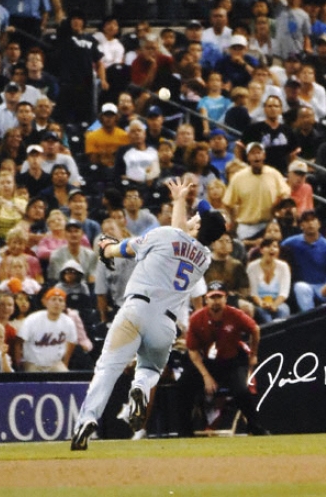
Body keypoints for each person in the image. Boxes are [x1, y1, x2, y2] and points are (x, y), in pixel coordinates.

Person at [71, 175, 226, 451]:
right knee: (149, 369)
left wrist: (106, 248)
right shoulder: (204, 259)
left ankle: (87, 421)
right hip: (165, 325)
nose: (193, 217)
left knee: (107, 368)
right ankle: (140, 389)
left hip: (136, 309)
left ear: (199, 225)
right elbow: (180, 234)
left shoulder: (163, 234)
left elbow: (123, 248)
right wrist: (179, 202)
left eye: (198, 218)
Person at [176, 280, 263, 437]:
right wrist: (206, 376)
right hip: (207, 363)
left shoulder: (235, 314)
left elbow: (255, 329)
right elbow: (193, 351)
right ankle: (185, 431)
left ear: (225, 298)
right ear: (206, 299)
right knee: (183, 385)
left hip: (232, 361)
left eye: (219, 297)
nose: (216, 301)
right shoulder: (197, 318)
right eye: (212, 297)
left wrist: (253, 355)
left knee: (242, 391)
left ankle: (254, 426)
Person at [282, 210, 326, 312]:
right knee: (300, 287)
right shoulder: (292, 242)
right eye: (306, 221)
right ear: (301, 226)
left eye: (313, 220)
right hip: (306, 286)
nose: (310, 223)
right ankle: (310, 318)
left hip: (324, 285)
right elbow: (278, 249)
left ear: (319, 224)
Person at [222, 142, 290, 242]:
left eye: (259, 153)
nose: (256, 156)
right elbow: (228, 203)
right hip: (247, 226)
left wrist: (276, 206)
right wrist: (233, 220)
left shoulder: (274, 174)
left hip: (269, 224)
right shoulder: (238, 177)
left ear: (264, 155)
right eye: (252, 153)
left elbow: (285, 194)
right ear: (248, 157)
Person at [14, 286, 77, 372]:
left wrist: (65, 362)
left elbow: (72, 342)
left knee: (65, 377)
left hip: (55, 363)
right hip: (33, 363)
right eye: (53, 299)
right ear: (46, 302)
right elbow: (18, 342)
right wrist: (19, 364)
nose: (57, 303)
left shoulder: (68, 322)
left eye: (60, 300)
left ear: (64, 305)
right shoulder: (32, 319)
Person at [246, 238, 291, 323]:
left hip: (278, 302)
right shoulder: (252, 267)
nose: (272, 249)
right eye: (268, 246)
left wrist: (274, 305)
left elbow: (284, 292)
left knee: (283, 311)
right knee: (265, 317)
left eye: (275, 246)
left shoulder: (283, 266)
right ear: (261, 250)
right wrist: (262, 304)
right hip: (259, 303)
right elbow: (253, 292)